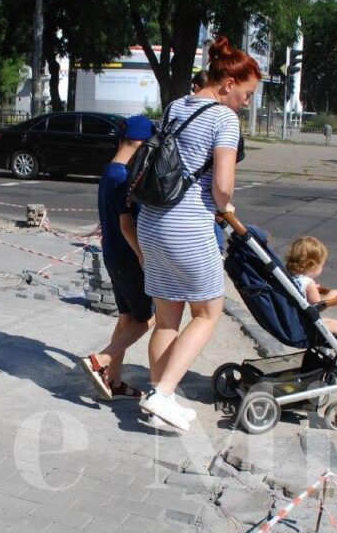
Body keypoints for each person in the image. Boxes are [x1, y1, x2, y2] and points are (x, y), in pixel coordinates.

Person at [135, 36, 259, 432]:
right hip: (187, 227)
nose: (246, 102)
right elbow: (222, 186)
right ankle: (164, 394)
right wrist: (226, 207)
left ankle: (160, 397)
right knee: (208, 312)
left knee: (167, 317)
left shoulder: (175, 105)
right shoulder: (224, 119)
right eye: (246, 93)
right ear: (227, 85)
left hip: (151, 221)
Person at [81, 115, 157, 401]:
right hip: (127, 257)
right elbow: (127, 226)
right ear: (139, 143)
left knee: (127, 316)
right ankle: (100, 360)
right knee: (146, 318)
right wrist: (143, 257)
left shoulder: (109, 171)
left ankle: (112, 381)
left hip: (113, 254)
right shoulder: (123, 177)